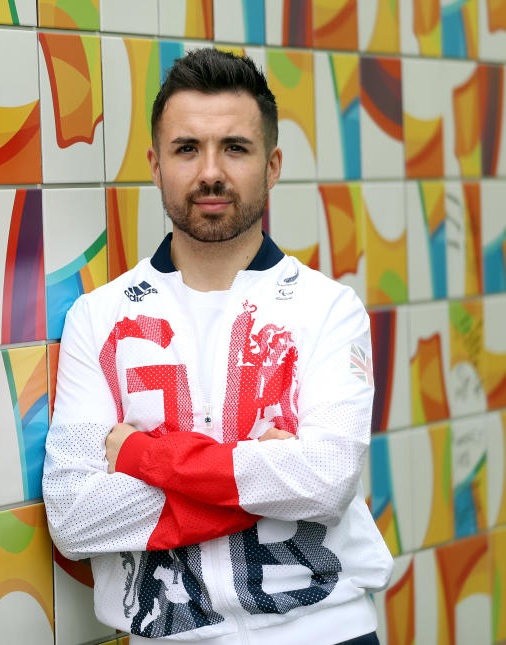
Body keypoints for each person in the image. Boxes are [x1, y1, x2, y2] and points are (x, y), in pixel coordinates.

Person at [41, 47, 392, 645]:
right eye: (187, 149)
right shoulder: (96, 319)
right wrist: (265, 483)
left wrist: (142, 459)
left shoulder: (328, 310)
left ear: (272, 164)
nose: (211, 172)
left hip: (323, 631)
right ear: (155, 165)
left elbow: (326, 479)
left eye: (235, 147)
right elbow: (74, 517)